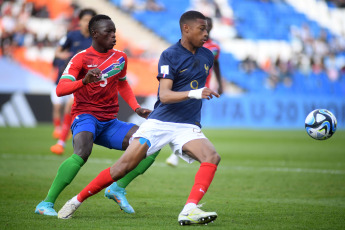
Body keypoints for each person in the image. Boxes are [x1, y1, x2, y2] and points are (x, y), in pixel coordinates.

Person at [57, 11, 221, 226]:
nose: (206, 34)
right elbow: (165, 95)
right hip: (159, 122)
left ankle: (189, 209)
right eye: (202, 29)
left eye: (208, 29)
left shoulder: (208, 56)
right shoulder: (170, 54)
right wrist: (195, 93)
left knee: (212, 156)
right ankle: (75, 201)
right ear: (186, 29)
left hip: (187, 125)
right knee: (121, 168)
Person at [35, 14, 160, 216]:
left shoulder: (120, 57)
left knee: (152, 143)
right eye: (108, 32)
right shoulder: (80, 58)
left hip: (109, 122)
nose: (113, 36)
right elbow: (61, 89)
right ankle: (46, 203)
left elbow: (122, 83)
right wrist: (83, 81)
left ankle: (117, 188)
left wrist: (136, 107)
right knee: (82, 152)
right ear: (94, 34)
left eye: (114, 32)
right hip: (85, 116)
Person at [165, 16, 223, 167]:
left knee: (190, 120)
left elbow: (216, 65)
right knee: (181, 119)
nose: (206, 29)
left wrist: (220, 83)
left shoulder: (214, 48)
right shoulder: (186, 46)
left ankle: (175, 152)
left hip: (202, 89)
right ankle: (173, 150)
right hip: (184, 88)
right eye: (203, 27)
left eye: (208, 26)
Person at [50, 8, 97, 154]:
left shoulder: (97, 39)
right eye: (84, 20)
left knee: (70, 107)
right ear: (80, 21)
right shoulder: (72, 35)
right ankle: (61, 137)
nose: (87, 23)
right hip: (69, 77)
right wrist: (67, 56)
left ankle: (61, 142)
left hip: (86, 80)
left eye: (90, 20)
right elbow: (58, 51)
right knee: (64, 107)